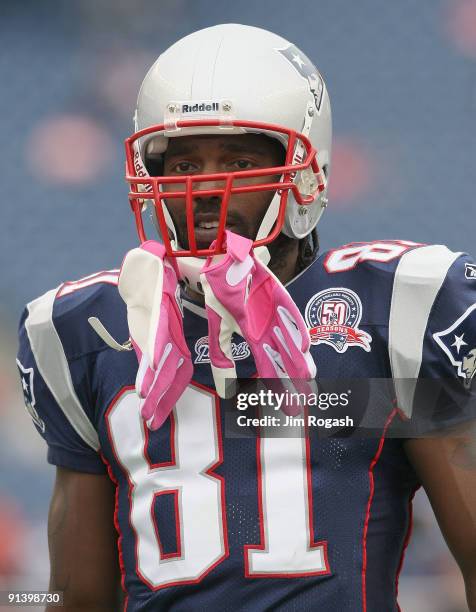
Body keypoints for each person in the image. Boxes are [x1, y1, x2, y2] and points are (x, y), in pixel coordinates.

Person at [16, 23, 476, 611]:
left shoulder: (395, 313)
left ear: (307, 174)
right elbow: (74, 599)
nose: (206, 188)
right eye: (182, 167)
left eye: (238, 159)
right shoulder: (89, 334)